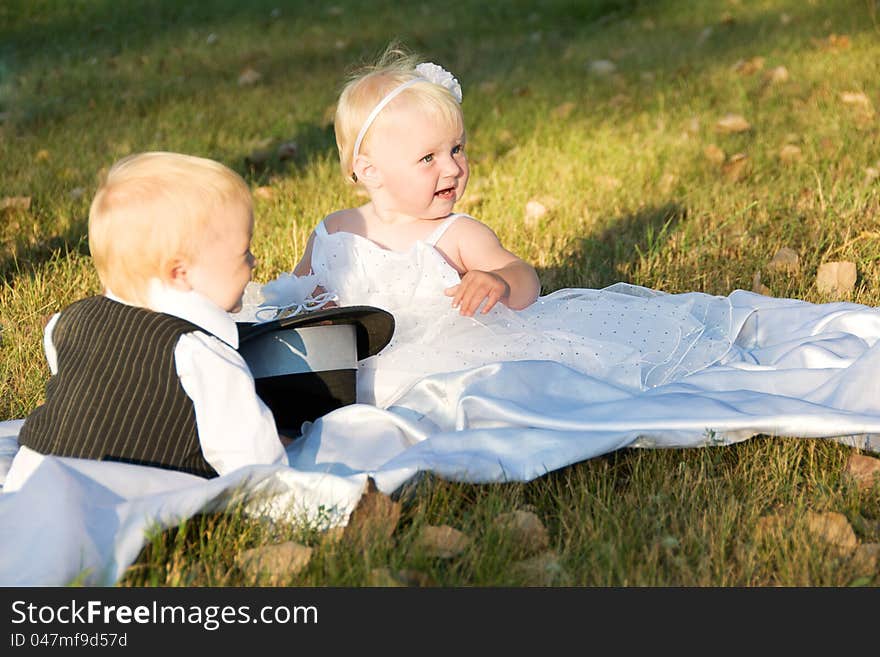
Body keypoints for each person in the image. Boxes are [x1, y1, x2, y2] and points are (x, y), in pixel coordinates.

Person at [283, 48, 736, 409]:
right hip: (356, 357)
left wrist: (497, 282)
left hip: (446, 352)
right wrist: (311, 303)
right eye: (429, 158)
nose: (453, 168)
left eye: (457, 149)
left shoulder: (457, 234)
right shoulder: (335, 231)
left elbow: (525, 279)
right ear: (370, 171)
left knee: (459, 391)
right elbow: (294, 292)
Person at [7, 151, 289, 488]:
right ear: (180, 273)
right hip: (124, 496)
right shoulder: (201, 354)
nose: (255, 261)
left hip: (34, 477)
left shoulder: (69, 320)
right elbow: (257, 464)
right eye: (244, 252)